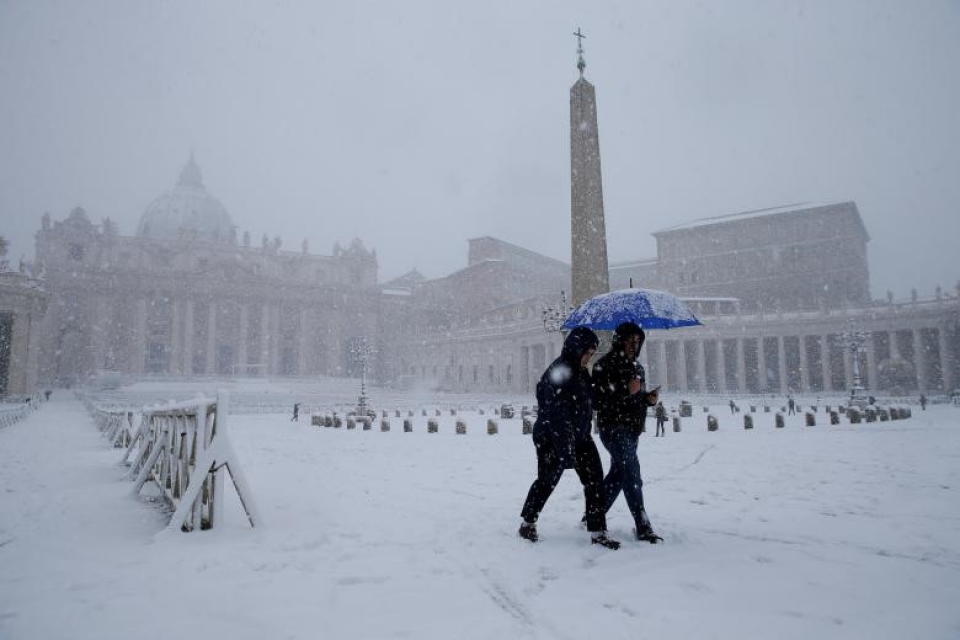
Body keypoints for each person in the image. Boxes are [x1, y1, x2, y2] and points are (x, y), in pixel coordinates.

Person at [519, 326, 620, 549]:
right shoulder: (559, 372)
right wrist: (565, 451)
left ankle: (598, 531)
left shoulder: (582, 372)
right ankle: (528, 523)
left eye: (593, 353)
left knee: (594, 480)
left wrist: (612, 391)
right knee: (547, 480)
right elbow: (556, 415)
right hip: (551, 437)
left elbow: (591, 401)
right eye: (588, 352)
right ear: (577, 348)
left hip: (580, 436)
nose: (589, 357)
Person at [592, 322, 663, 543]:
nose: (634, 345)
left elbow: (637, 399)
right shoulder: (603, 366)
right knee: (632, 473)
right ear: (619, 341)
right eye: (630, 340)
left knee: (619, 473)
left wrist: (648, 399)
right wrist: (625, 390)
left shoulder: (637, 367)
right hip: (613, 428)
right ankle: (642, 524)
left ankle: (594, 513)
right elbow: (598, 401)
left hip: (632, 429)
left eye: (638, 341)